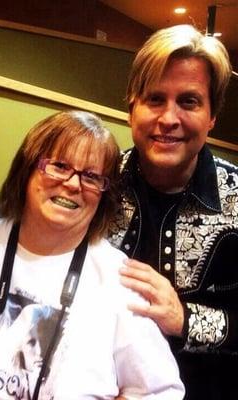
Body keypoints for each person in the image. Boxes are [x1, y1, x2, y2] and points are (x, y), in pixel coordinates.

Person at [0, 110, 184, 399]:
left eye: (91, 176)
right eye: (59, 166)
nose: (73, 184)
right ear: (27, 169)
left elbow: (163, 392)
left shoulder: (120, 283)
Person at [106, 24, 237, 399]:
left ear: (212, 116)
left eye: (189, 102)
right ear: (132, 108)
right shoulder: (97, 182)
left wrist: (185, 318)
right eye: (155, 99)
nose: (169, 118)